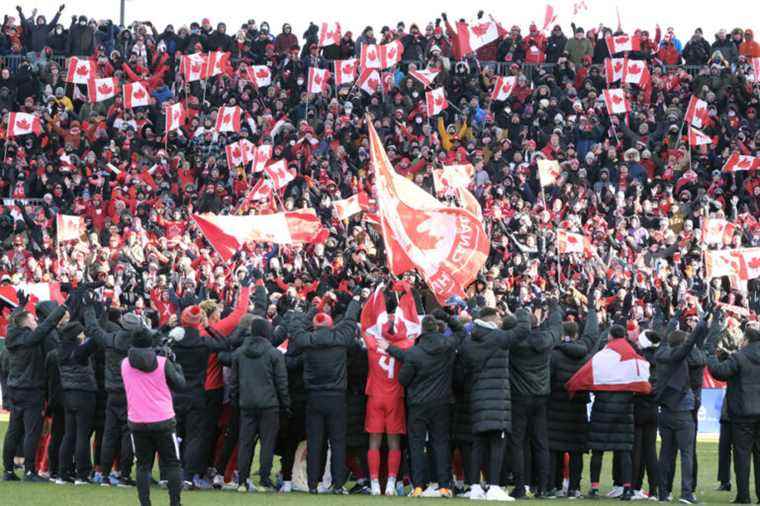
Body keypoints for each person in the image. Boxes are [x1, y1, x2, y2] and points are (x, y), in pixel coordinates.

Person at [288, 293, 362, 494]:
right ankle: (338, 485)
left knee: (314, 442)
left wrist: (316, 307)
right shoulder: (340, 339)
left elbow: (295, 328)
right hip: (336, 397)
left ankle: (313, 484)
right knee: (338, 442)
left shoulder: (307, 340)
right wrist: (355, 301)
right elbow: (349, 321)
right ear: (330, 325)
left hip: (315, 397)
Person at [384, 310, 461, 498]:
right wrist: (448, 317)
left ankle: (418, 486)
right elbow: (461, 332)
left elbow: (403, 379)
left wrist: (389, 349)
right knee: (441, 443)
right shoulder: (447, 346)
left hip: (418, 404)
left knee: (416, 445)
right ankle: (444, 486)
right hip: (441, 403)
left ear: (422, 330)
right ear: (436, 328)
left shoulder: (415, 352)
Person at [462, 307, 531, 500]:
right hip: (497, 400)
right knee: (497, 444)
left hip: (477, 397)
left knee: (478, 444)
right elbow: (523, 331)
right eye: (499, 318)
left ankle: (475, 486)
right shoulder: (498, 337)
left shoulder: (468, 341)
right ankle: (493, 486)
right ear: (492, 320)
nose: (501, 321)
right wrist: (523, 311)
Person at [3, 291, 69, 482]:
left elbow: (17, 320)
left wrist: (20, 307)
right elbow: (47, 326)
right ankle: (30, 471)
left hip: (15, 389)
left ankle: (8, 470)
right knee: (32, 431)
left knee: (14, 430)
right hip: (31, 390)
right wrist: (64, 307)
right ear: (26, 324)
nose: (35, 321)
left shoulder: (12, 335)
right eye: (32, 319)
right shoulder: (30, 338)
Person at [122, 325, 185, 506]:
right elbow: (180, 384)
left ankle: (145, 503)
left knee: (143, 465)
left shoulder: (125, 363)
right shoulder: (163, 362)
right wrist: (175, 363)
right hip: (163, 419)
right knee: (172, 463)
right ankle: (175, 503)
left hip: (137, 420)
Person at [654, 314, 712, 504]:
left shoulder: (660, 354)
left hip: (665, 411)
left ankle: (663, 493)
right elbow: (690, 343)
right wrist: (702, 323)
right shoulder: (678, 355)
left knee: (665, 453)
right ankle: (686, 493)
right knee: (686, 453)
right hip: (682, 410)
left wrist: (674, 318)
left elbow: (664, 338)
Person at [509, 300, 564, 499]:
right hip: (541, 397)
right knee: (541, 442)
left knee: (517, 442)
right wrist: (555, 308)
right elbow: (557, 328)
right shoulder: (546, 339)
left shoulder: (515, 344)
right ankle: (542, 486)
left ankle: (520, 486)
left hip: (519, 397)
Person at [547, 297, 600, 499]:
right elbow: (592, 334)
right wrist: (592, 309)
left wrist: (554, 309)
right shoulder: (585, 353)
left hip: (556, 407)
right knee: (576, 450)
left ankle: (555, 486)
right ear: (576, 334)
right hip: (577, 408)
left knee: (556, 448)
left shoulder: (554, 354)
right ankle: (574, 488)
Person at [362, 299, 416, 496]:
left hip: (375, 397)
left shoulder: (373, 345)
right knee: (394, 442)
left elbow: (365, 328)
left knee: (374, 441)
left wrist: (373, 302)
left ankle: (375, 483)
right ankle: (392, 482)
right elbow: (413, 333)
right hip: (395, 398)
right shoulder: (405, 347)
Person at [230, 316, 290, 492]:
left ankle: (242, 480)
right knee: (267, 443)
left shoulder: (239, 353)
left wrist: (236, 400)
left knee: (245, 442)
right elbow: (281, 382)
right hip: (269, 404)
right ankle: (264, 479)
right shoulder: (274, 353)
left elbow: (234, 382)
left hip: (246, 403)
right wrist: (285, 404)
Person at [706, 320, 760, 504]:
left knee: (742, 456)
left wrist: (710, 356)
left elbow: (719, 372)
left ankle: (743, 496)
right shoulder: (740, 356)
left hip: (742, 413)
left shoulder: (739, 357)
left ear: (746, 340)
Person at [55, 320, 98, 485]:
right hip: (84, 395)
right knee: (82, 435)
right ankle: (82, 474)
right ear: (75, 335)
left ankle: (63, 473)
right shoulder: (79, 352)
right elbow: (95, 340)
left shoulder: (61, 350)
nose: (83, 335)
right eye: (81, 333)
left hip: (68, 395)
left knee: (69, 434)